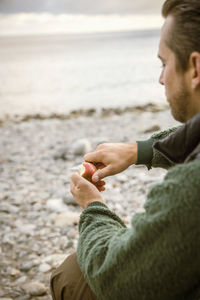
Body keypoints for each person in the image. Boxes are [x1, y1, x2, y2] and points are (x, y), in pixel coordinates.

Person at [50, 0, 200, 299]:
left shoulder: (192, 185)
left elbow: (117, 277)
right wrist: (139, 151)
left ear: (195, 68)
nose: (161, 78)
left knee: (70, 275)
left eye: (164, 63)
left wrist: (94, 207)